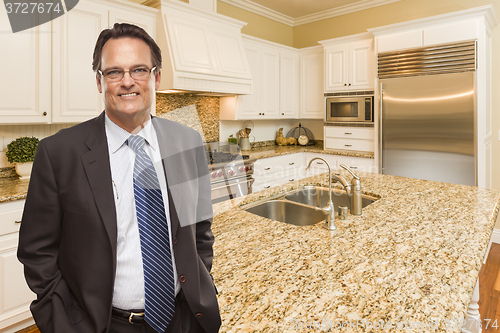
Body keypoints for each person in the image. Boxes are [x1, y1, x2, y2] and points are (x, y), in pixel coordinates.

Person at [17, 23, 221, 333]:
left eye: (139, 69)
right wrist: (65, 323)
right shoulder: (58, 152)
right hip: (104, 324)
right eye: (114, 72)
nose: (127, 82)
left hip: (185, 318)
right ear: (100, 82)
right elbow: (37, 252)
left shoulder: (187, 141)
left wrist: (199, 283)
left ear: (156, 77)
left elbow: (200, 229)